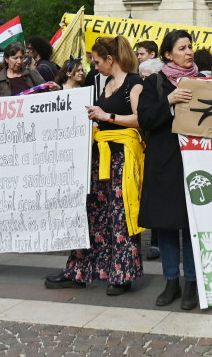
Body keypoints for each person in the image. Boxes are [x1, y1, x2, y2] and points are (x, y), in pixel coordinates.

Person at [46, 36, 144, 295]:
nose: (94, 67)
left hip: (122, 155)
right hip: (101, 155)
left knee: (121, 214)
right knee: (94, 211)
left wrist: (106, 116)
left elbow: (139, 118)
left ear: (111, 60)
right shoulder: (108, 82)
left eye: (97, 61)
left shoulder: (134, 82)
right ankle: (81, 269)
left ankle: (122, 274)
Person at [137, 30, 201, 310]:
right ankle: (170, 280)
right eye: (182, 48)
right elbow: (146, 118)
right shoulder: (156, 82)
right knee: (166, 224)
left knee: (191, 224)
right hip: (164, 162)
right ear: (167, 54)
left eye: (190, 47)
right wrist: (170, 101)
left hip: (195, 162)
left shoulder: (203, 80)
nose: (189, 52)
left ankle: (192, 283)